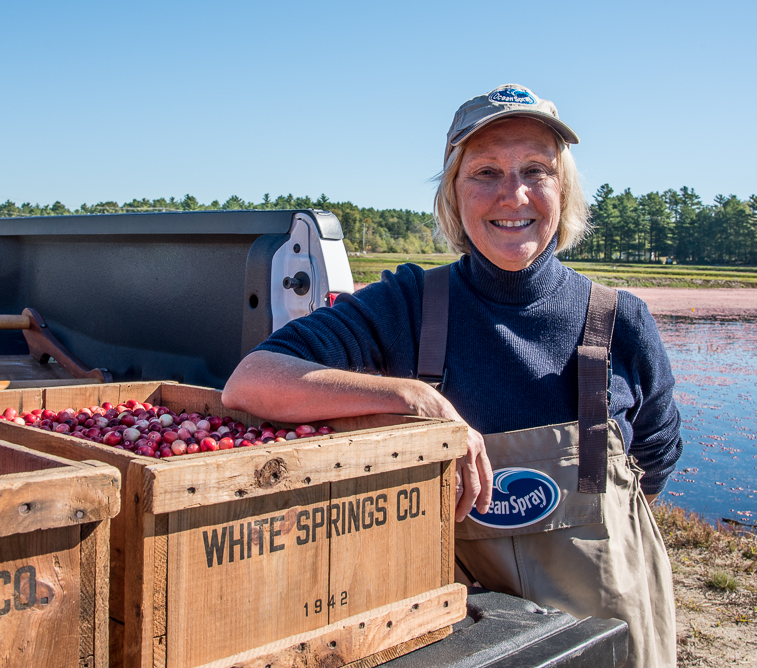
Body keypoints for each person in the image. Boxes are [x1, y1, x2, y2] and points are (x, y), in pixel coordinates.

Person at [222, 84, 681, 668]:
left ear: (562, 189)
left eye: (535, 169)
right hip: (463, 635)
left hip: (606, 633)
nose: (512, 194)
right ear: (453, 195)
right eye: (485, 171)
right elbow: (253, 380)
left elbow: (654, 465)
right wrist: (416, 400)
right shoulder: (409, 305)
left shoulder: (622, 323)